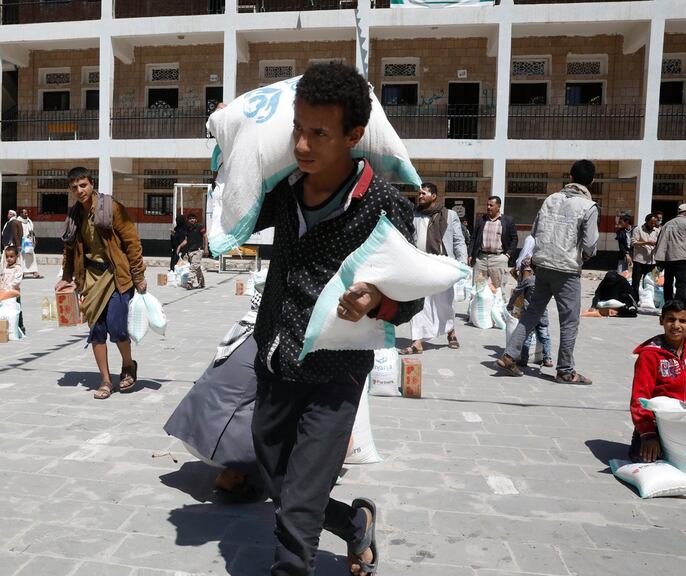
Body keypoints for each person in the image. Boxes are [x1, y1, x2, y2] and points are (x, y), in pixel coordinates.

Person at [250, 62, 422, 576]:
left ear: (353, 135)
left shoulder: (384, 205)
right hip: (275, 359)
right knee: (277, 476)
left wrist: (376, 301)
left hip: (337, 368)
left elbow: (409, 298)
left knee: (298, 505)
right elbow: (232, 200)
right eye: (298, 130)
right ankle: (353, 524)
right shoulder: (284, 192)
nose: (303, 145)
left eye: (318, 134)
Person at [497, 159, 599, 384]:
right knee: (569, 321)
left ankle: (509, 355)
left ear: (570, 177)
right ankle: (565, 370)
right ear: (591, 181)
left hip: (542, 265)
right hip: (567, 270)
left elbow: (535, 231)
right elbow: (590, 244)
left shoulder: (550, 199)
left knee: (532, 313)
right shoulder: (588, 207)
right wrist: (583, 256)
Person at [164, 291, 265, 502]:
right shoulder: (271, 343)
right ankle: (236, 472)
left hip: (191, 430)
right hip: (213, 444)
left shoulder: (242, 331)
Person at [56, 166, 147, 400]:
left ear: (92, 184)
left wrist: (138, 275)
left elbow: (132, 241)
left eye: (83, 185)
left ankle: (128, 365)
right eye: (74, 187)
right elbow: (69, 248)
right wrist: (66, 278)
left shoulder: (111, 207)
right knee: (97, 331)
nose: (79, 190)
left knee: (117, 327)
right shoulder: (74, 215)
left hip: (116, 276)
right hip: (91, 279)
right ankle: (105, 380)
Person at [629, 299, 686, 462]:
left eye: (683, 321)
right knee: (652, 466)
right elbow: (640, 398)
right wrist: (648, 435)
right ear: (661, 320)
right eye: (670, 319)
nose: (676, 325)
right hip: (656, 428)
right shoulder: (649, 356)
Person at [404, 182, 467, 354]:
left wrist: (462, 264)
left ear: (434, 196)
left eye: (424, 193)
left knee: (444, 302)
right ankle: (417, 341)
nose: (420, 196)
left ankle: (450, 331)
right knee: (418, 303)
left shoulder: (449, 215)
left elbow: (458, 240)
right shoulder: (414, 215)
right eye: (419, 193)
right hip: (419, 264)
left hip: (442, 264)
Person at [508, 239, 553, 367]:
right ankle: (548, 358)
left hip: (529, 312)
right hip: (543, 313)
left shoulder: (528, 281)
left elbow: (517, 292)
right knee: (544, 336)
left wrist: (510, 304)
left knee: (527, 337)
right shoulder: (546, 281)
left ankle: (524, 359)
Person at [469, 195, 517, 292]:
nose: (488, 207)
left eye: (491, 205)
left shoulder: (507, 221)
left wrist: (507, 255)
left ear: (498, 206)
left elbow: (514, 239)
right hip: (481, 259)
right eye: (487, 205)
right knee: (478, 289)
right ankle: (479, 307)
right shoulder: (481, 220)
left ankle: (499, 307)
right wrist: (470, 254)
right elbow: (473, 238)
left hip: (498, 260)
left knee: (499, 290)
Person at [630, 213, 659, 302]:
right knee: (636, 282)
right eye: (651, 223)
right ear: (646, 221)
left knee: (651, 282)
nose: (653, 225)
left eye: (655, 223)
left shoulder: (657, 231)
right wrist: (646, 243)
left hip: (652, 261)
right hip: (640, 260)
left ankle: (648, 300)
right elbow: (633, 243)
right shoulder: (638, 230)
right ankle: (635, 300)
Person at [176, 213, 207, 289]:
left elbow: (205, 237)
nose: (192, 220)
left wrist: (206, 248)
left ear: (196, 219)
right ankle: (201, 283)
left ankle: (190, 282)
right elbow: (186, 240)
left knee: (193, 267)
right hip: (190, 251)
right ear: (188, 220)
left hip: (198, 250)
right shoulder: (188, 229)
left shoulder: (200, 227)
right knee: (197, 267)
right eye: (190, 218)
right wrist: (179, 246)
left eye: (193, 218)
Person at [1, 245, 26, 335]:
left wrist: (10, 288)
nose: (9, 259)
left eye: (11, 257)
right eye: (7, 257)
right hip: (6, 294)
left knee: (17, 309)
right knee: (7, 309)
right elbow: (3, 279)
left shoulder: (18, 269)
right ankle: (9, 325)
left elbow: (17, 281)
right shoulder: (5, 268)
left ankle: (20, 326)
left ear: (17, 256)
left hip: (14, 294)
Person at [18, 208, 42, 278]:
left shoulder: (29, 221)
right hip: (21, 242)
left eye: (27, 213)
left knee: (31, 255)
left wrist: (32, 237)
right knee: (21, 258)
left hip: (28, 241)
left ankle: (34, 272)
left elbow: (31, 231)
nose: (26, 214)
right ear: (21, 214)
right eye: (25, 213)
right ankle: (21, 272)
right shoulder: (17, 221)